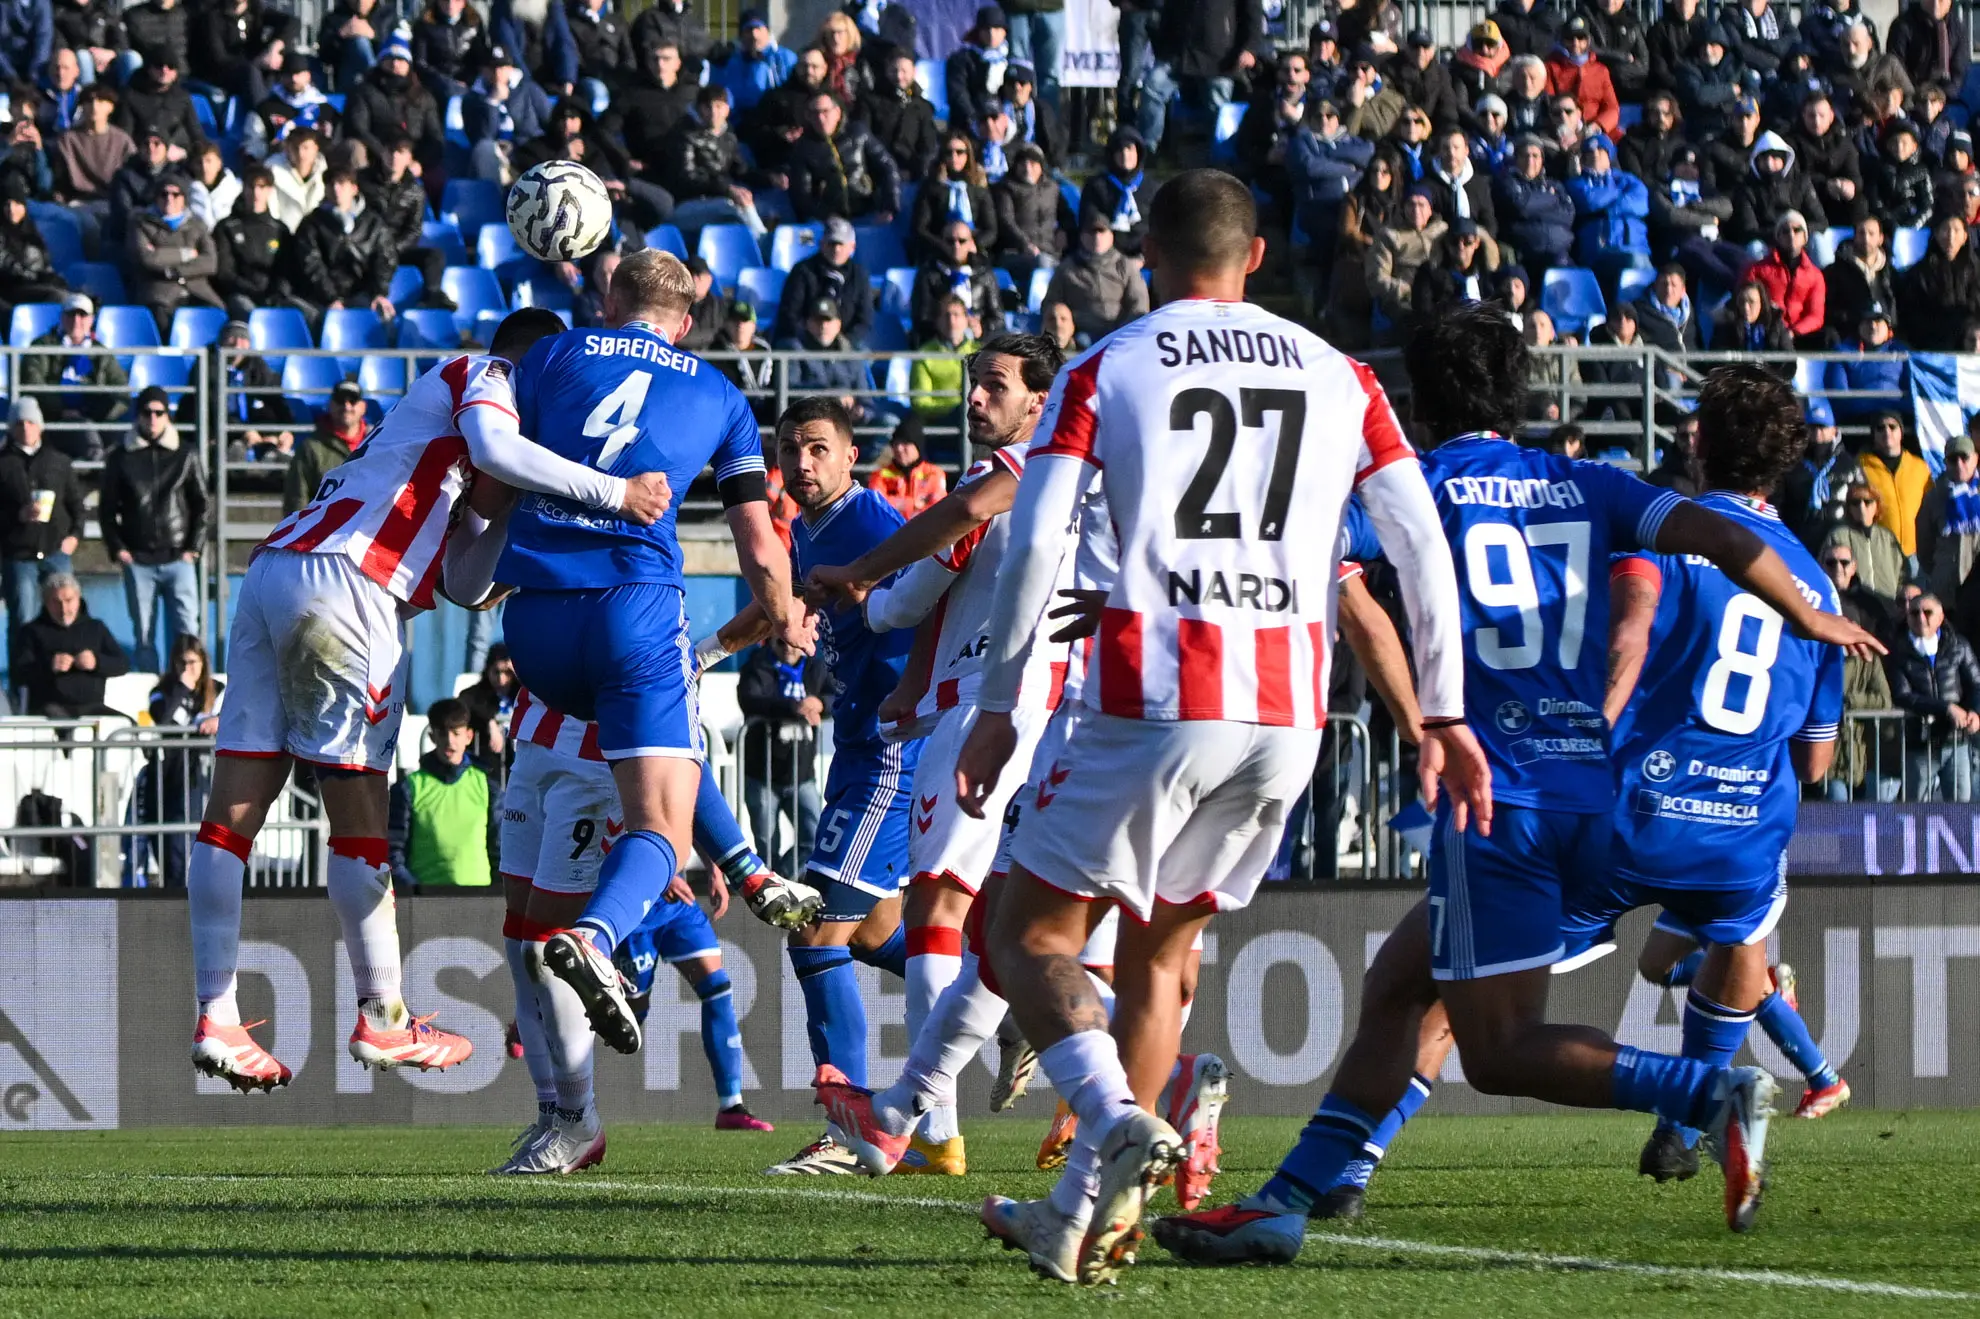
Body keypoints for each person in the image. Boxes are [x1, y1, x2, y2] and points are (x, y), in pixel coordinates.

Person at [1154, 302, 1874, 1264]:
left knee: (1496, 1049)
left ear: (1416, 400)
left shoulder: (1414, 488)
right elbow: (1720, 537)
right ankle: (1288, 1198)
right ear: (1524, 394)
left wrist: (1420, 718)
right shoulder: (1590, 481)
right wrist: (1811, 615)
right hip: (1585, 788)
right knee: (1403, 982)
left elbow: (1342, 583)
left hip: (1496, 794)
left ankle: (1708, 1092)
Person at [186, 308, 677, 1091]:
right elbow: (492, 445)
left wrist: (517, 517)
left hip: (281, 572)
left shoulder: (473, 444)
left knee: (231, 816)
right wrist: (614, 492)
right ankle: (382, 1017)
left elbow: (463, 579)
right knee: (360, 825)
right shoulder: (482, 375)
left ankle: (216, 1013)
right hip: (354, 587)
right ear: (539, 359)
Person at [491, 254, 804, 1063]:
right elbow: (758, 541)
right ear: (688, 316)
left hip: (532, 621)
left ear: (608, 300)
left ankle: (564, 1089)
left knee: (542, 872)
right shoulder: (721, 395)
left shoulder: (554, 354)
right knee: (662, 820)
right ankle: (605, 939)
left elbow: (493, 462)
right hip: (633, 607)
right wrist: (784, 615)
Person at [1560, 362, 1855, 1175]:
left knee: (1474, 982)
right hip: (1740, 832)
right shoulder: (1816, 585)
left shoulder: (1662, 532)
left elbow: (1616, 647)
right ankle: (1690, 1121)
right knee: (1739, 934)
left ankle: (1346, 1164)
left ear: (1697, 441)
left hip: (1631, 807)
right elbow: (1819, 758)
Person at [494, 686, 782, 1175]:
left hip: (598, 775)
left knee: (552, 954)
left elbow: (676, 766)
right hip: (533, 743)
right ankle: (552, 1116)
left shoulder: (649, 635)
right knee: (522, 946)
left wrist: (706, 859)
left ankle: (581, 1118)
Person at [99, 384, 204, 673]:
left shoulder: (186, 454)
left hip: (177, 556)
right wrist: (119, 549)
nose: (153, 418)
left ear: (168, 415)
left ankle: (188, 689)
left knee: (187, 631)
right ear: (138, 416)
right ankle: (152, 696)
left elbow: (202, 504)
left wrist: (193, 548)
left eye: (160, 412)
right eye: (147, 412)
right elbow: (106, 509)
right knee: (144, 634)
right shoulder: (121, 457)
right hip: (138, 559)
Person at [737, 625, 828, 877]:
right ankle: (772, 894)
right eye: (781, 642)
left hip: (802, 774)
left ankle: (782, 882)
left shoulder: (815, 668)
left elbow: (835, 696)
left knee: (814, 838)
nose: (788, 648)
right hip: (762, 774)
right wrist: (795, 708)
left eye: (794, 643)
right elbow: (750, 699)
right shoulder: (757, 665)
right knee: (767, 846)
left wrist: (819, 704)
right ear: (771, 641)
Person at [136, 633, 222, 887]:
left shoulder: (218, 691)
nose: (188, 669)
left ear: (203, 663)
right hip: (170, 779)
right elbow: (161, 722)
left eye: (193, 663)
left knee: (206, 853)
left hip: (205, 778)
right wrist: (182, 689)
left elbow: (239, 718)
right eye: (182, 663)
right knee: (173, 854)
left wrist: (219, 721)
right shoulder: (161, 693)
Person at [388, 697, 496, 890]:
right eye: (443, 733)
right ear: (432, 737)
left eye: (456, 733)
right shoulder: (408, 788)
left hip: (481, 901)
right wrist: (415, 893)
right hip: (427, 903)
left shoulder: (488, 788)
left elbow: (501, 851)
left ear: (469, 736)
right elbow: (393, 853)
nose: (450, 740)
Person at [0, 396, 81, 639]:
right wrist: (18, 516)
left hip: (56, 551)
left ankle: (61, 674)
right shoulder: (3, 464)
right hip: (18, 555)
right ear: (12, 427)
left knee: (65, 618)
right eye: (20, 423)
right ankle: (22, 676)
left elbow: (76, 504)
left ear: (41, 426)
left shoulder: (59, 461)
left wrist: (75, 536)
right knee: (23, 619)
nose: (25, 428)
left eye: (31, 422)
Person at [1888, 589, 1980, 800]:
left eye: (1927, 612)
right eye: (1914, 613)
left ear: (1940, 617)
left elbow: (1976, 684)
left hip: (1956, 741)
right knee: (1916, 810)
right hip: (1920, 744)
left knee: (1959, 810)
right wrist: (1946, 708)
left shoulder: (1959, 645)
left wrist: (1975, 711)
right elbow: (1902, 695)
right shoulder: (1898, 650)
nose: (1921, 618)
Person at [285, 165, 395, 331]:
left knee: (383, 318)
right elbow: (311, 265)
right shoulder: (312, 224)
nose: (336, 189)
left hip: (363, 294)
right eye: (331, 184)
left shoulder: (374, 224)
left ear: (354, 188)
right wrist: (331, 298)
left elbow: (385, 259)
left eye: (341, 183)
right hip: (321, 298)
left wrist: (378, 292)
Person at [20, 292, 128, 459]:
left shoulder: (101, 352)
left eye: (82, 315)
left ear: (91, 320)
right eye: (71, 314)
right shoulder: (42, 346)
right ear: (62, 317)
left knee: (121, 437)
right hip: (53, 418)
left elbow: (122, 391)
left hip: (93, 417)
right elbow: (32, 384)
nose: (76, 321)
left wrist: (97, 412)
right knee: (87, 437)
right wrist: (62, 410)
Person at [16, 570, 127, 716]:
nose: (63, 609)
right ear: (46, 603)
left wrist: (96, 662)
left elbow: (122, 664)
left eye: (69, 601)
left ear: (78, 599)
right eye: (56, 602)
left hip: (92, 707)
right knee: (61, 724)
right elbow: (19, 673)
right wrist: (50, 665)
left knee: (126, 725)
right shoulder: (31, 631)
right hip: (50, 707)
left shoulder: (95, 627)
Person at [786, 87, 899, 225]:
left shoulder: (858, 133)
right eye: (814, 113)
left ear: (837, 113)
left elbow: (888, 167)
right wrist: (825, 215)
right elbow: (802, 196)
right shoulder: (803, 148)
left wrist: (889, 206)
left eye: (825, 112)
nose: (820, 118)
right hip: (832, 220)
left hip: (869, 210)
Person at [1042, 213, 1147, 343]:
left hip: (1119, 333)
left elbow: (1139, 303)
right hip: (1081, 334)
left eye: (1101, 231)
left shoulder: (1125, 266)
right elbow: (1051, 303)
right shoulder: (1067, 268)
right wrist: (1065, 329)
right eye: (1091, 232)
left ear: (1111, 235)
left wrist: (1126, 331)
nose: (1096, 237)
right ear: (1082, 236)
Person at [774, 216, 872, 348]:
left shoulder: (860, 275)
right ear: (822, 244)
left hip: (845, 342)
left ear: (852, 247)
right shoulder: (802, 271)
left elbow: (864, 320)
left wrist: (845, 342)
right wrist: (813, 338)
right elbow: (789, 314)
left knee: (862, 353)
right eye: (832, 243)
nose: (836, 249)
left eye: (841, 244)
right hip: (805, 341)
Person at [1918, 431, 1980, 628]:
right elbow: (1925, 545)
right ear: (1945, 462)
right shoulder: (1934, 497)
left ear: (1976, 459)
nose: (1960, 464)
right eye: (1953, 459)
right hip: (1948, 591)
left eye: (1965, 457)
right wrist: (1942, 569)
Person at [281, 378, 368, 515]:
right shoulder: (311, 448)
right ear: (330, 405)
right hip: (325, 531)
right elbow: (296, 498)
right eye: (340, 400)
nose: (346, 406)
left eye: (352, 401)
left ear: (363, 407)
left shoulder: (377, 443)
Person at [780, 295, 871, 424]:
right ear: (807, 323)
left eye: (828, 320)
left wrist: (861, 412)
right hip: (809, 422)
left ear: (838, 324)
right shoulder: (794, 349)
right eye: (818, 321)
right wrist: (832, 396)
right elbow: (791, 392)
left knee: (887, 423)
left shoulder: (852, 355)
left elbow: (866, 401)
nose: (823, 326)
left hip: (847, 425)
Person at [909, 219, 1002, 343]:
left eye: (962, 241)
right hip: (938, 343)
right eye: (950, 241)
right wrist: (944, 326)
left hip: (977, 341)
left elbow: (998, 318)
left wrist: (982, 328)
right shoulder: (929, 273)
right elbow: (921, 316)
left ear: (971, 244)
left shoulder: (984, 273)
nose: (956, 246)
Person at [911, 131, 996, 265]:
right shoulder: (931, 187)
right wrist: (947, 247)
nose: (954, 156)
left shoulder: (979, 188)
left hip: (973, 251)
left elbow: (991, 229)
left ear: (968, 155)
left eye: (960, 152)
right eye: (949, 152)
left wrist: (972, 244)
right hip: (939, 251)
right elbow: (920, 228)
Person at [1899, 211, 1980, 350]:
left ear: (1965, 236)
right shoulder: (1920, 273)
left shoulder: (1977, 271)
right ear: (1936, 234)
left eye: (1956, 230)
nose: (1950, 237)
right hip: (1933, 345)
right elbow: (1912, 315)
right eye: (1945, 230)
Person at [1857, 410, 1932, 560]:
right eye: (1880, 427)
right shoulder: (1861, 466)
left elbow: (1931, 508)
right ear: (1873, 434)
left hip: (1916, 552)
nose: (1887, 432)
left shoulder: (1920, 467)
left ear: (1901, 432)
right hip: (1878, 552)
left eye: (1892, 427)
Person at [990, 142, 1066, 286]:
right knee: (1043, 264)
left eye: (1032, 163)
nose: (1027, 168)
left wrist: (1064, 230)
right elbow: (1005, 220)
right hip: (1014, 253)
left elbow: (1066, 215)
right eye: (1022, 163)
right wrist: (1024, 244)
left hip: (1049, 251)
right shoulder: (1005, 188)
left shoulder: (1052, 188)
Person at [861, 48, 939, 183]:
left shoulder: (922, 107)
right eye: (894, 70)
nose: (899, 76)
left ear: (913, 72)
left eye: (904, 71)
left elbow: (928, 145)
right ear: (886, 71)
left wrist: (916, 171)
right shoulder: (871, 102)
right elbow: (865, 139)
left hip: (910, 175)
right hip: (879, 175)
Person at [1077, 126, 1152, 259]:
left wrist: (1144, 257)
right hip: (1106, 257)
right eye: (1119, 150)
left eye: (1129, 149)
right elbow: (1090, 222)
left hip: (1146, 257)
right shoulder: (1096, 186)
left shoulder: (1151, 187)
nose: (1124, 155)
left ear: (1138, 153)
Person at [1827, 481, 1906, 599]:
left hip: (1887, 605)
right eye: (1855, 502)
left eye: (1867, 501)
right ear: (1849, 508)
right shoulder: (1837, 536)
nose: (1861, 507)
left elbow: (1902, 574)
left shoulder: (1887, 537)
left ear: (1877, 506)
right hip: (1852, 604)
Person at [908, 295, 978, 425]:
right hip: (941, 421)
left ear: (966, 320)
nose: (951, 321)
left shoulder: (979, 352)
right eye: (946, 315)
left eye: (956, 315)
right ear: (938, 321)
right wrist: (955, 409)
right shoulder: (925, 355)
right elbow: (920, 402)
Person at [712, 8, 794, 118]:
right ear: (741, 35)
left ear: (767, 31)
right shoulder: (729, 62)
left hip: (775, 122)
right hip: (738, 124)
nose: (754, 35)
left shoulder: (784, 58)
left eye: (758, 28)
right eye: (748, 30)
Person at [945, 4, 1011, 136]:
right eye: (986, 29)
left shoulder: (1011, 59)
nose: (992, 34)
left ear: (1005, 32)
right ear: (978, 31)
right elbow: (958, 94)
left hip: (1004, 124)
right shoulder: (961, 59)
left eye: (997, 28)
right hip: (969, 125)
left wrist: (1005, 121)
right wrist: (976, 121)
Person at [866, 415, 945, 519]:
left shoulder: (934, 473)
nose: (899, 448)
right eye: (895, 444)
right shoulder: (879, 475)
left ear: (917, 446)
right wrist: (913, 504)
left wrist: (894, 502)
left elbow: (938, 510)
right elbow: (876, 507)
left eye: (905, 443)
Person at [458, 640, 516, 771]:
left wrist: (519, 673)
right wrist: (489, 721)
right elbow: (464, 702)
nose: (501, 679)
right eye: (496, 672)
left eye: (507, 673)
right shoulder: (478, 693)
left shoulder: (521, 692)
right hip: (490, 766)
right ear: (488, 670)